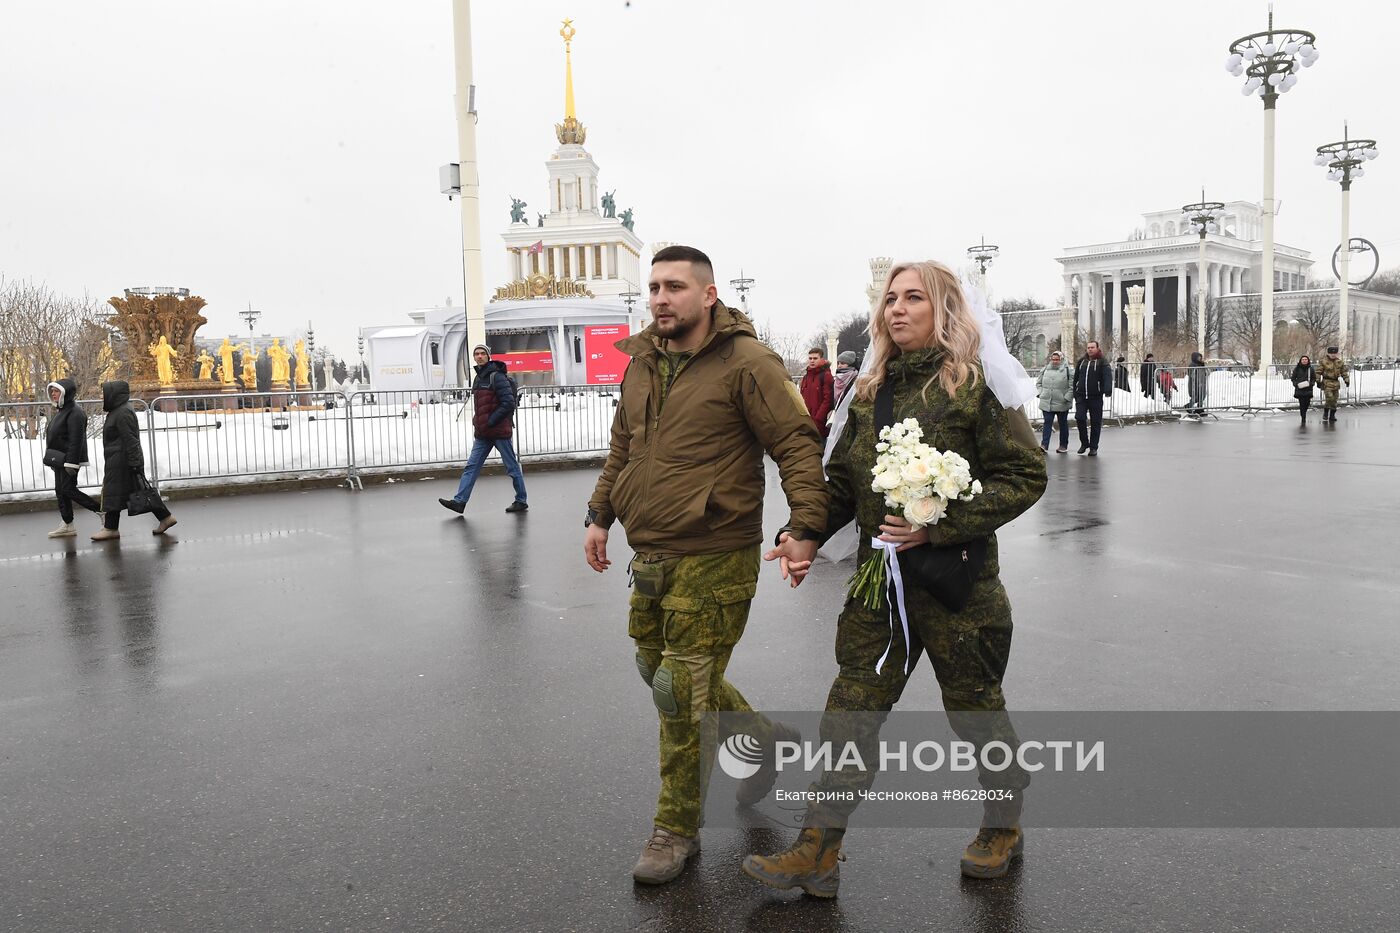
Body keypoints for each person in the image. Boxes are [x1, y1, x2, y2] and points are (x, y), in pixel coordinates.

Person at [742, 261, 1046, 895]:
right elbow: (844, 487)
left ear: (944, 309)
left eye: (914, 299)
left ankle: (1002, 821)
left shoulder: (977, 387)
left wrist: (939, 524)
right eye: (890, 299)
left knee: (974, 712)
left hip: (957, 589)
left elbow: (1026, 476)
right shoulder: (868, 390)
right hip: (880, 587)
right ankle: (817, 848)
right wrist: (802, 533)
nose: (896, 310)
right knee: (849, 710)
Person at [583, 245, 827, 886]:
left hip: (718, 549)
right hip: (652, 549)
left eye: (675, 288)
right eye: (654, 288)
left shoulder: (748, 363)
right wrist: (599, 514)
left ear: (709, 294)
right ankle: (761, 737)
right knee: (651, 665)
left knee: (679, 692)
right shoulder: (641, 363)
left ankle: (675, 829)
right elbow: (623, 448)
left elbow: (795, 444)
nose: (661, 299)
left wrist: (805, 527)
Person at [438, 346, 528, 514]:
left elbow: (508, 403)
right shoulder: (478, 378)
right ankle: (459, 501)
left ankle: (521, 500)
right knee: (471, 466)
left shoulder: (497, 376)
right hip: (483, 433)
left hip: (499, 431)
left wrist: (491, 420)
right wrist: (478, 421)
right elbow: (481, 405)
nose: (479, 357)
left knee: (511, 467)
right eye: (476, 354)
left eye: (482, 354)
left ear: (488, 356)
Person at [91, 380, 176, 541]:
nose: (101, 396)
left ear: (114, 393)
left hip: (122, 460)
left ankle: (110, 528)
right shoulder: (119, 410)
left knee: (113, 492)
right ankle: (165, 517)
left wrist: (135, 462)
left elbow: (131, 440)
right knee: (135, 491)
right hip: (119, 459)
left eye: (104, 392)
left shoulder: (122, 413)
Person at [44, 378, 101, 538]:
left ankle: (101, 510)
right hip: (59, 458)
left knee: (68, 489)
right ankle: (67, 524)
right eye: (52, 391)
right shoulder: (62, 410)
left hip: (69, 460)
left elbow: (77, 440)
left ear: (65, 393)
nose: (53, 394)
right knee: (60, 491)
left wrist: (71, 462)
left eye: (57, 391)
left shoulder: (75, 412)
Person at [1073, 340, 1113, 455]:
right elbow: (1076, 378)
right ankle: (1084, 443)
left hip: (1095, 397)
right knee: (1080, 418)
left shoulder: (1102, 362)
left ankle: (1093, 447)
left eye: (1092, 347)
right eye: (1088, 347)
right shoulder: (1082, 362)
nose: (1090, 349)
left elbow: (1107, 376)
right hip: (1081, 396)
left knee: (1095, 422)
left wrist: (1107, 390)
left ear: (1097, 348)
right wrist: (1075, 391)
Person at [1036, 350, 1073, 452]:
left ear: (1061, 359)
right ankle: (1044, 445)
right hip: (1047, 402)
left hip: (1062, 402)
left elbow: (1072, 386)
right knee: (1047, 423)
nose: (1055, 361)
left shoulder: (1068, 371)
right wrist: (1041, 393)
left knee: (1063, 424)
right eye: (1053, 359)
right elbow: (1038, 383)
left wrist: (1066, 398)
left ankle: (1063, 445)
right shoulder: (1045, 370)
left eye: (1057, 359)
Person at [800, 347, 835, 437]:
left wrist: (818, 418)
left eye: (815, 358)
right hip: (807, 421)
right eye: (810, 358)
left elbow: (828, 399)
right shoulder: (805, 377)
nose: (812, 361)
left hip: (820, 423)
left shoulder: (826, 375)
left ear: (821, 359)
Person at [1317, 346, 1350, 423]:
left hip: (1336, 383)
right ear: (1328, 353)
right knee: (1330, 398)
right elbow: (1318, 372)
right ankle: (1326, 412)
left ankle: (1332, 415)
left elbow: (1344, 372)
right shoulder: (1323, 361)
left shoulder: (1339, 362)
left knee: (1335, 400)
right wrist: (1317, 381)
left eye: (1335, 353)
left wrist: (1346, 380)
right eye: (1331, 353)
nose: (1333, 354)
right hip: (1327, 382)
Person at [1292, 355, 1318, 425]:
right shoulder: (1297, 368)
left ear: (1308, 360)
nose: (1304, 360)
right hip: (1300, 388)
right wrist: (1296, 384)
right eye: (1303, 359)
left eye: (1305, 359)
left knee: (1307, 403)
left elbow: (1314, 378)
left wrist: (1311, 384)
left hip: (1308, 388)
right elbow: (1293, 378)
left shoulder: (1311, 369)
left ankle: (1304, 413)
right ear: (1301, 360)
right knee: (1302, 403)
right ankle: (1303, 417)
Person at [1185, 351, 1209, 417]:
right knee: (1195, 397)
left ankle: (1200, 409)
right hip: (1194, 384)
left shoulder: (1201, 364)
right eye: (1198, 357)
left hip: (1201, 383)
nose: (1200, 359)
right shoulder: (1192, 365)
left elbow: (1204, 373)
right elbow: (1192, 375)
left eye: (1200, 357)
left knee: (1202, 396)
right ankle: (1189, 406)